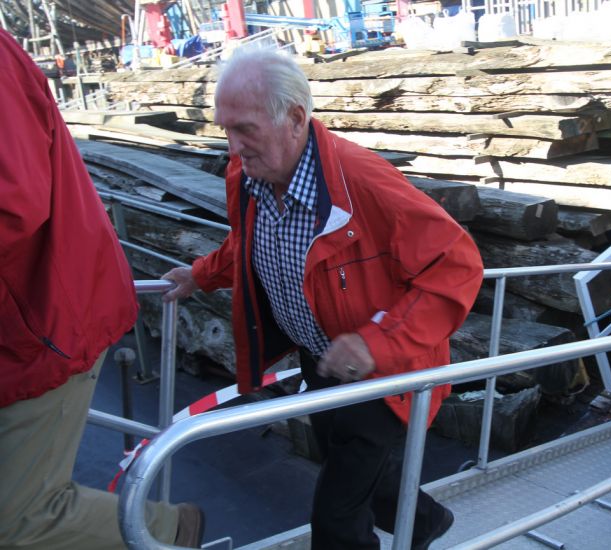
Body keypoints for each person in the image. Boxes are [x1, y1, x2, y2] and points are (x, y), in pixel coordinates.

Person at [161, 47, 484, 549]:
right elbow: (249, 244)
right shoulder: (247, 175)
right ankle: (425, 523)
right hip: (323, 355)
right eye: (225, 130)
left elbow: (457, 265)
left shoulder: (362, 182)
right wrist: (200, 275)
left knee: (335, 516)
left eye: (244, 129)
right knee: (351, 466)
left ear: (295, 118)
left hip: (383, 369)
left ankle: (396, 529)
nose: (233, 146)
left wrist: (375, 343)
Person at [0, 29, 202, 549]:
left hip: (43, 322)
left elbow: (14, 202)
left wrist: (207, 272)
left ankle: (169, 532)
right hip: (34, 317)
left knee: (17, 519)